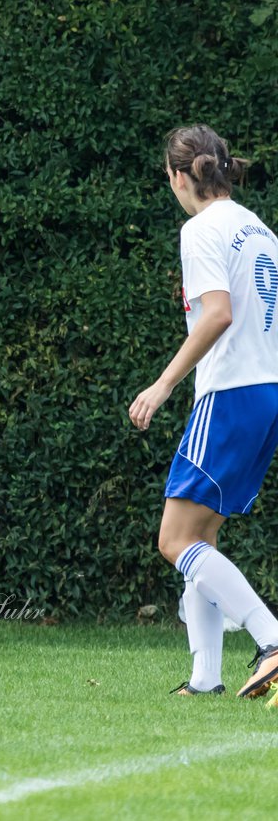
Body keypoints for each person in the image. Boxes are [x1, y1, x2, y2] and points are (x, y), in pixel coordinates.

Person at [129, 124, 278, 699]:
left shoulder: (200, 229)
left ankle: (270, 641)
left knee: (173, 540)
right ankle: (205, 679)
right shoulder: (258, 226)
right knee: (201, 538)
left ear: (178, 175)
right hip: (266, 392)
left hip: (233, 392)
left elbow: (216, 313)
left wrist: (164, 383)